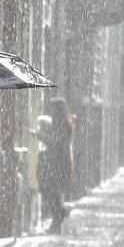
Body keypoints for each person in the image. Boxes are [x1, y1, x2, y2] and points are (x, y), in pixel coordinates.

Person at [36, 96, 74, 233]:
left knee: (52, 191)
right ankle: (59, 216)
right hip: (56, 160)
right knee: (51, 191)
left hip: (59, 161)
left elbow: (56, 141)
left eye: (52, 108)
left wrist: (40, 136)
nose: (50, 111)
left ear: (57, 110)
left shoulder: (62, 123)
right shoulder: (59, 123)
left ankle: (57, 220)